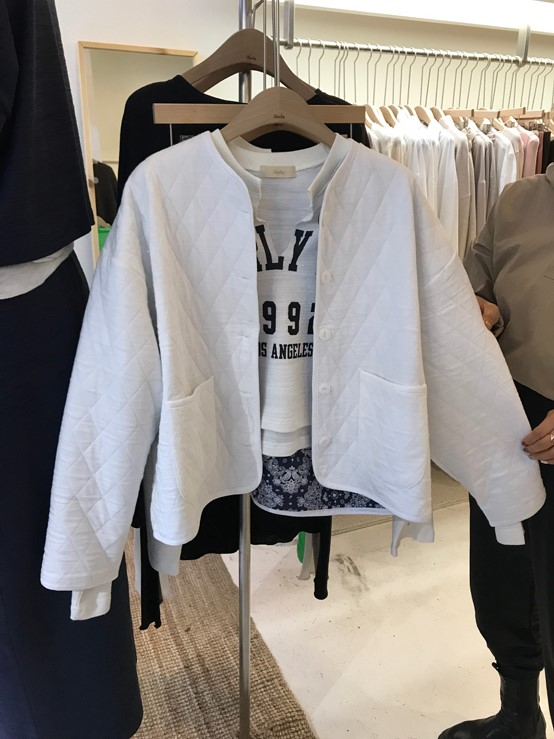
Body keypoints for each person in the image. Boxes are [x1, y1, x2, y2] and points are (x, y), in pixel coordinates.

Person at [439, 164, 554, 738]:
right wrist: (481, 308)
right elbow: (473, 287)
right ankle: (518, 715)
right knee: (501, 578)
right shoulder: (519, 199)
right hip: (509, 417)